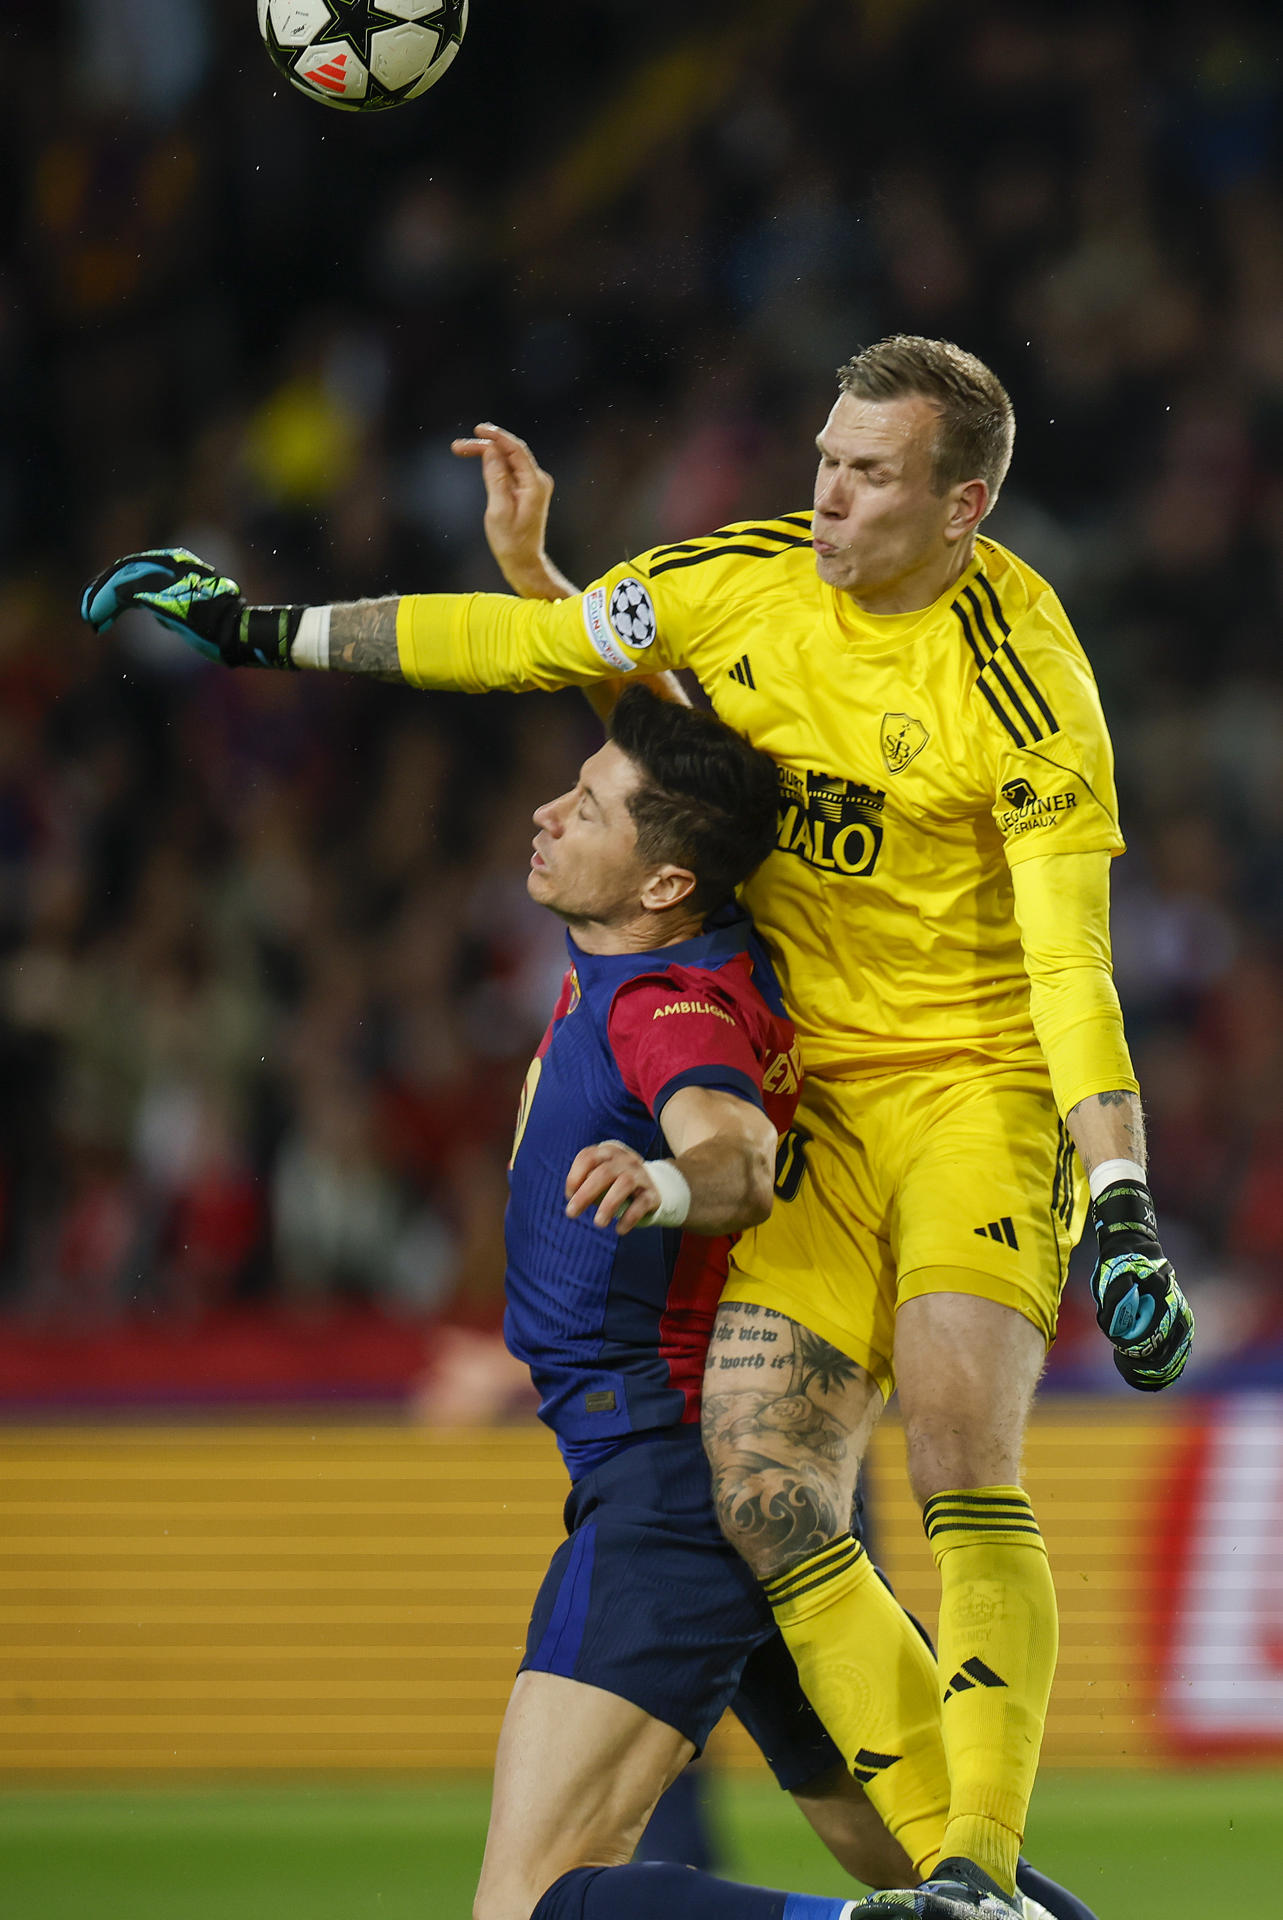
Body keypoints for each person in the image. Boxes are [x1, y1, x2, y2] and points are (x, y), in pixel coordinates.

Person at [82, 334, 1191, 1919]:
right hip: (815, 1099)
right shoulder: (740, 574)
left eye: (871, 474)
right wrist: (262, 629)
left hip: (973, 1090)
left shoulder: (1023, 681)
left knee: (956, 1437)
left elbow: (1073, 968)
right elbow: (512, 645)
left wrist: (1125, 1198)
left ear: (969, 504)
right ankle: (962, 1893)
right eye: (824, 454)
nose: (826, 495)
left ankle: (975, 1874)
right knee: (764, 1484)